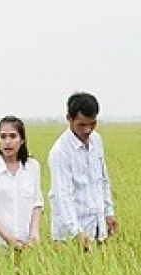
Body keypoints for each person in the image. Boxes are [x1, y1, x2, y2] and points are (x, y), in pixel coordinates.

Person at [48, 92, 118, 246]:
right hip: (70, 235)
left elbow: (103, 180)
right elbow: (63, 195)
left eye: (92, 124)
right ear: (69, 119)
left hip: (98, 227)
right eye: (82, 125)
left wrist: (109, 213)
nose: (87, 130)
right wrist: (76, 231)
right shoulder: (60, 152)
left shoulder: (96, 140)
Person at [0, 116, 43, 249]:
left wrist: (34, 234)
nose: (7, 142)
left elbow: (37, 202)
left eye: (13, 136)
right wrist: (7, 237)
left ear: (22, 140)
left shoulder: (32, 166)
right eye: (3, 137)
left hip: (25, 242)